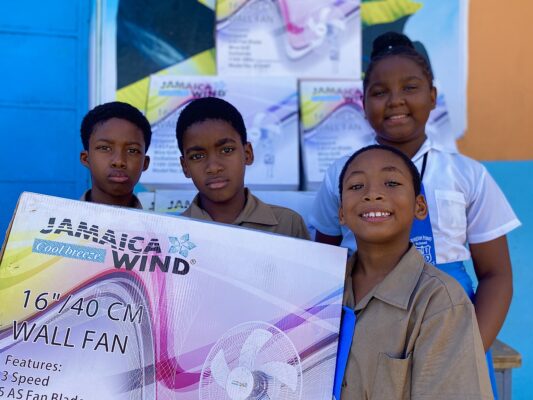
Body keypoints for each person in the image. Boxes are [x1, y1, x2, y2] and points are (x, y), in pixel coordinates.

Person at [311, 32, 520, 365]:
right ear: (363, 103)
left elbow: (497, 275)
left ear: (433, 96)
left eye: (410, 88)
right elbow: (322, 265)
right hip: (366, 330)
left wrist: (468, 353)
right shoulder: (341, 175)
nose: (395, 101)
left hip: (453, 328)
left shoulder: (467, 174)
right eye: (379, 92)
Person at [335, 144, 492, 399]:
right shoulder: (324, 288)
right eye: (356, 186)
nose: (372, 194)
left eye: (392, 183)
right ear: (341, 212)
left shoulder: (441, 302)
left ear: (420, 206)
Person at [175, 97, 309, 239]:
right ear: (185, 167)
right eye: (197, 157)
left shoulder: (287, 225)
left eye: (226, 150)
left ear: (247, 154)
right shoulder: (173, 234)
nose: (213, 167)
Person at [80, 101, 152, 208]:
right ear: (86, 158)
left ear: (145, 163)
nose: (119, 161)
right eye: (105, 148)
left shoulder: (156, 224)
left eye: (132, 150)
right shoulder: (59, 222)